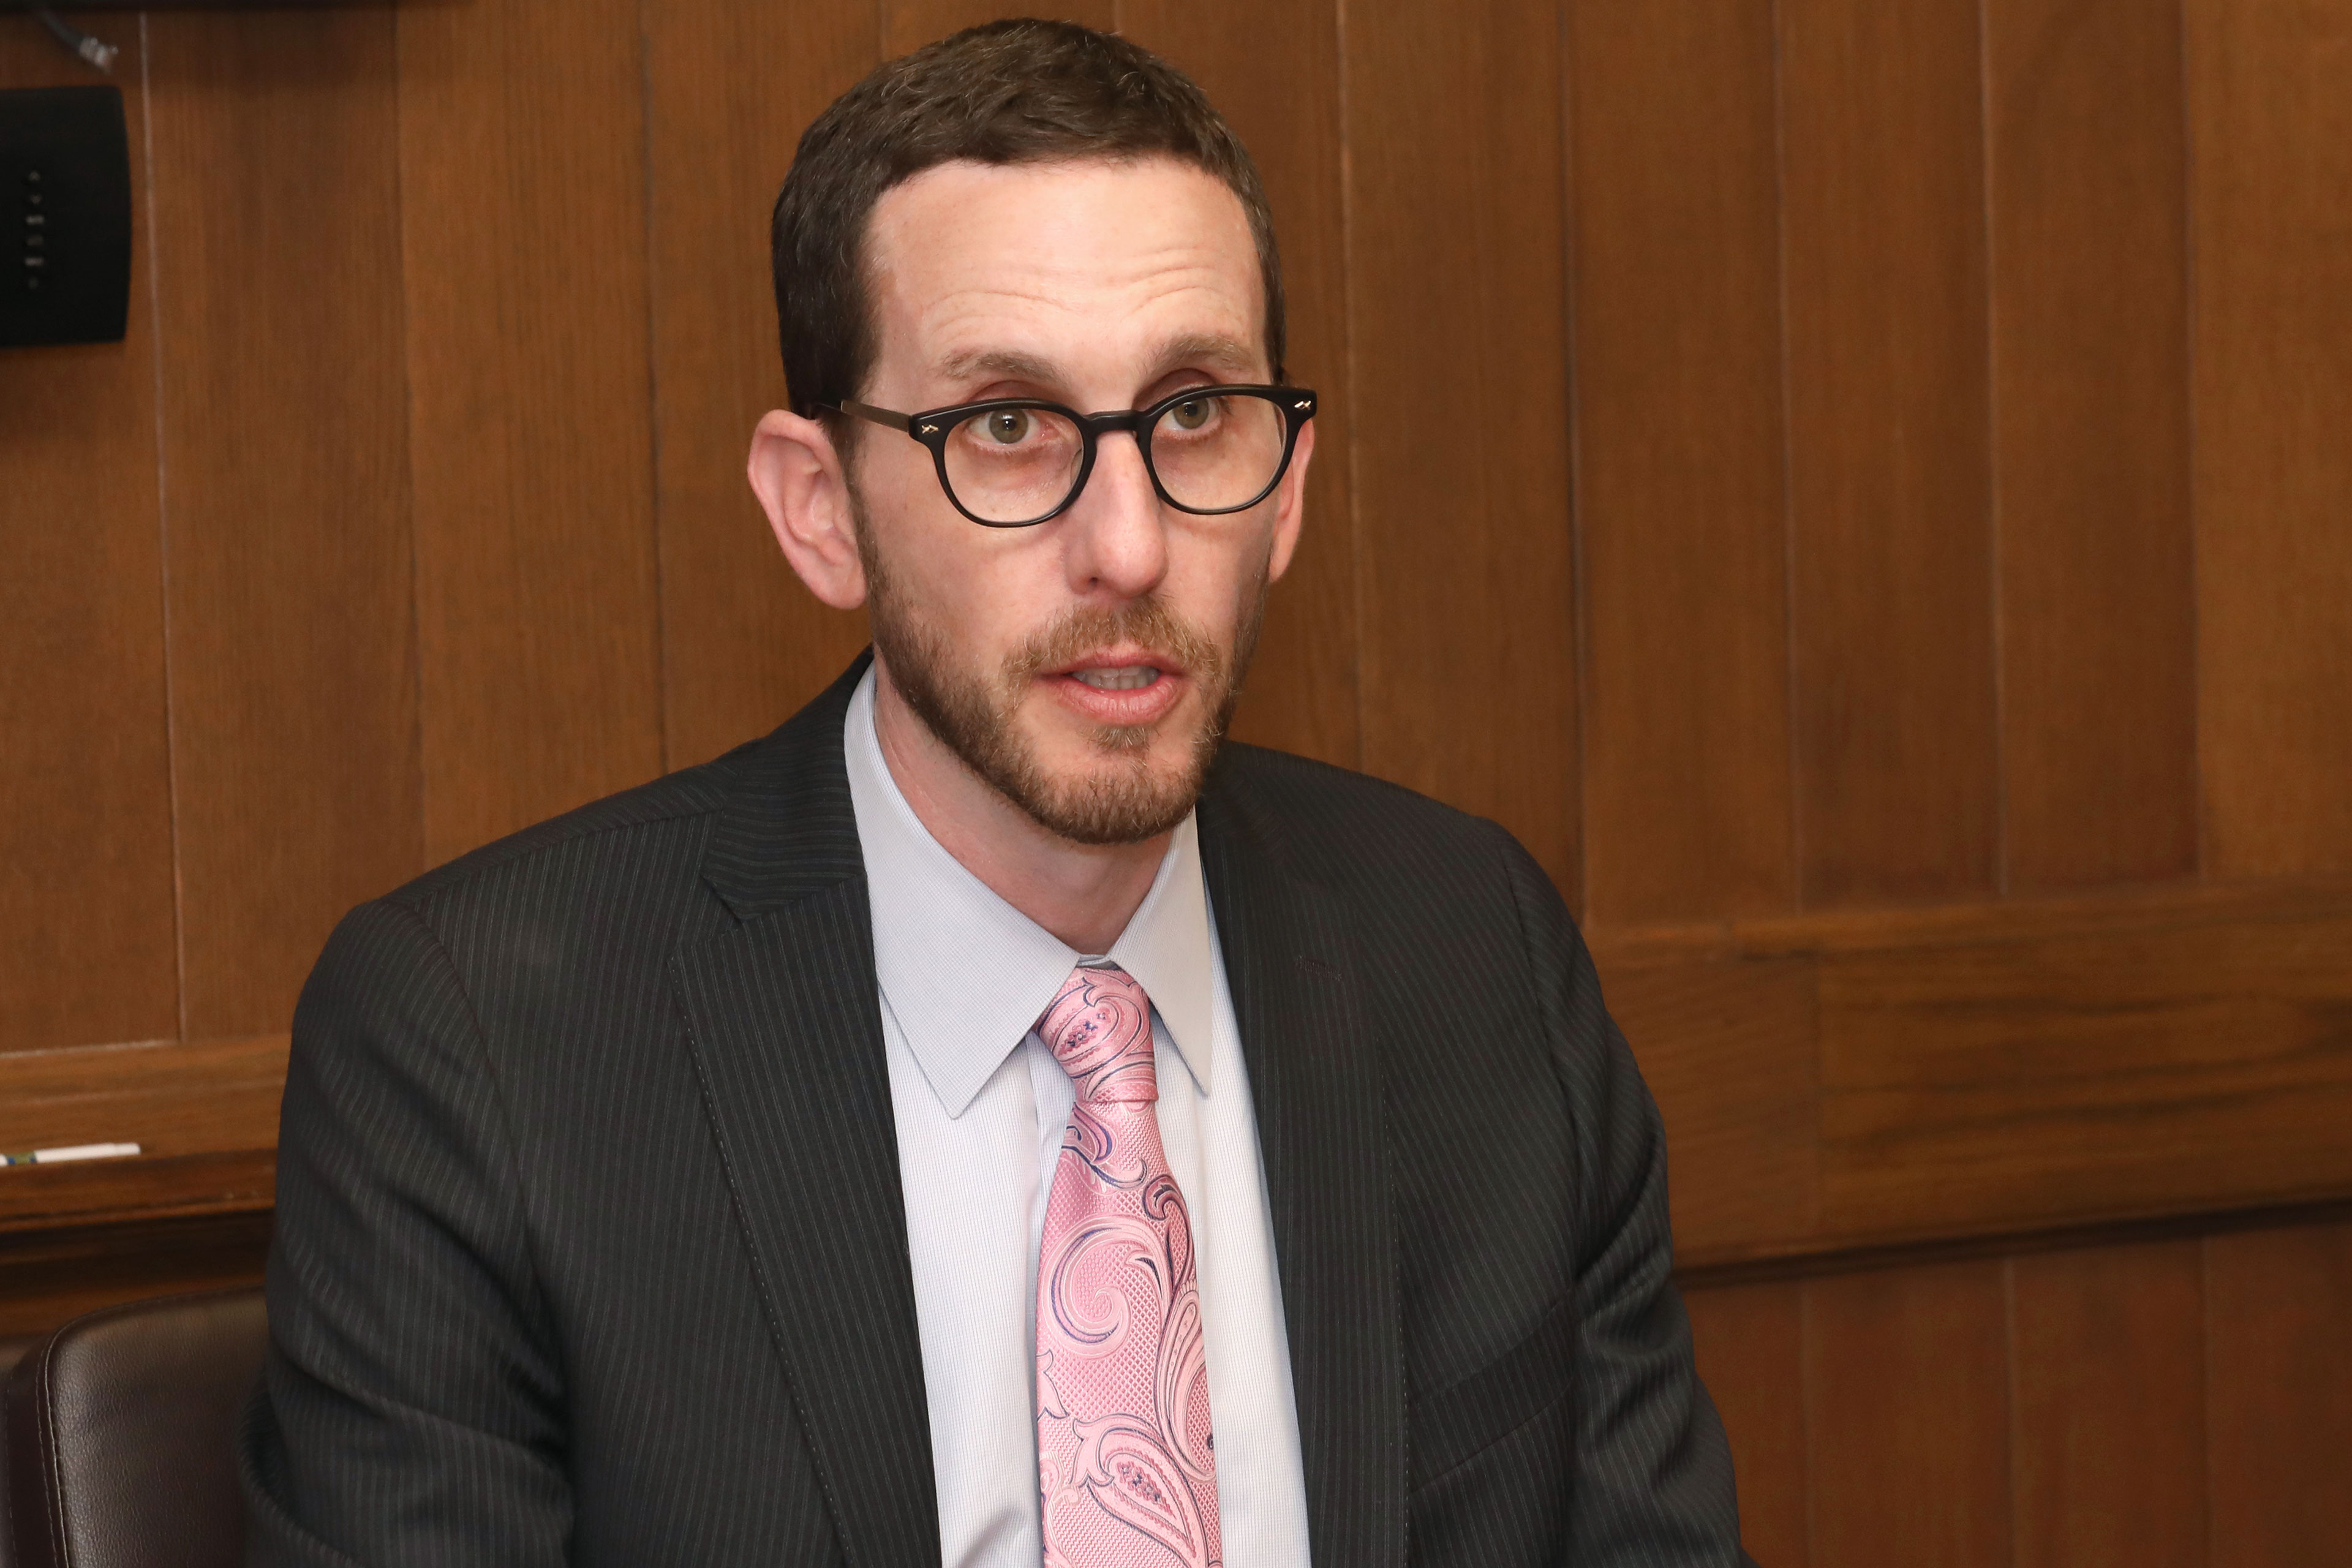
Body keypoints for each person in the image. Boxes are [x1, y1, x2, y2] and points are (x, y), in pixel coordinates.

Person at [241, 20, 1748, 1567]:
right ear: (821, 512)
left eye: (1190, 414)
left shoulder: (1476, 955)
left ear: (1285, 490)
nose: (1130, 545)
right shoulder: (479, 1046)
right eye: (1009, 427)